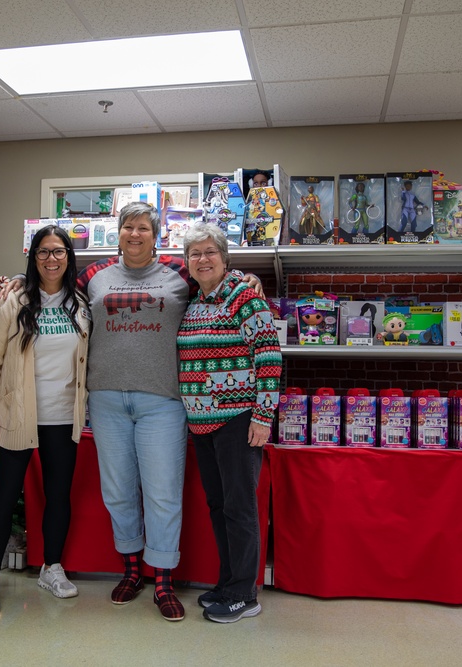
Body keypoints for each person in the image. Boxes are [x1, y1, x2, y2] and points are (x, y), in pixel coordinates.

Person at [0, 202, 261, 622]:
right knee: (118, 492)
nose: (134, 234)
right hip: (105, 401)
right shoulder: (94, 276)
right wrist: (16, 279)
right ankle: (132, 570)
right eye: (127, 227)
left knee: (161, 493)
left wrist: (247, 277)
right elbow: (53, 283)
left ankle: (163, 579)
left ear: (156, 236)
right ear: (117, 233)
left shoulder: (179, 273)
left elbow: (215, 283)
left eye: (143, 228)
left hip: (162, 401)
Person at [0, 225, 90, 616]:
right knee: (4, 497)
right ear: (33, 256)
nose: (51, 259)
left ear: (69, 257)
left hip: (62, 416)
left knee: (58, 496)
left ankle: (51, 567)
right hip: (16, 415)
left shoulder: (80, 303)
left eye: (58, 252)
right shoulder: (14, 300)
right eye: (43, 252)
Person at [176, 224, 281, 623]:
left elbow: (269, 358)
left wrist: (263, 417)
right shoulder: (196, 301)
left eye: (210, 252)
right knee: (219, 506)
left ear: (224, 257)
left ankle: (244, 593)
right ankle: (228, 581)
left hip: (238, 420)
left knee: (239, 507)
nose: (202, 259)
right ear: (187, 263)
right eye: (195, 254)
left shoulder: (244, 297)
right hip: (202, 421)